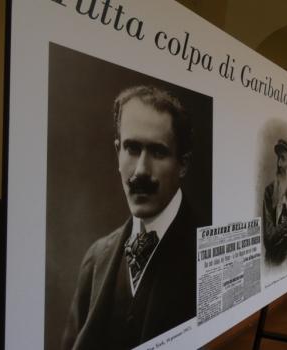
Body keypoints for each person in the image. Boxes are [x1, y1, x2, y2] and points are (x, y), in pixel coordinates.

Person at [62, 86, 198, 350]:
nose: (141, 171)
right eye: (132, 149)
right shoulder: (96, 259)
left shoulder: (204, 252)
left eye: (158, 152)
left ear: (183, 164)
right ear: (118, 153)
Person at [262, 139, 287, 266]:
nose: (279, 164)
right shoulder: (269, 191)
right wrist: (286, 227)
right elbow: (268, 236)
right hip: (273, 261)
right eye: (278, 159)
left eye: (282, 159)